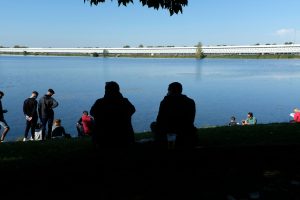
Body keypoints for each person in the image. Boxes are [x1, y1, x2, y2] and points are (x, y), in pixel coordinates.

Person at [151, 82, 198, 149]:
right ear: (181, 90)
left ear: (170, 91)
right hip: (187, 130)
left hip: (171, 132)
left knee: (153, 125)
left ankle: (160, 142)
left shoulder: (166, 102)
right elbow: (191, 119)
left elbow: (159, 121)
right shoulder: (191, 101)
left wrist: (166, 98)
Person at [90, 81, 135, 148]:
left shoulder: (99, 103)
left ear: (106, 90)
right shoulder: (125, 102)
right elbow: (132, 110)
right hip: (124, 137)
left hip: (104, 139)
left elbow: (92, 112)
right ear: (118, 90)